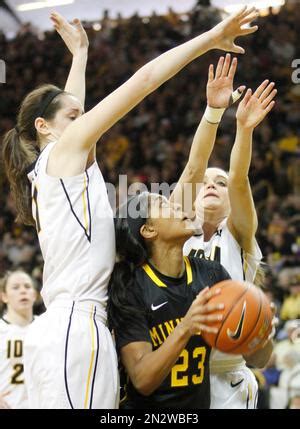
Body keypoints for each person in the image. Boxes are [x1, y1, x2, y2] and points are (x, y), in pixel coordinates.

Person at [2, 7, 259, 409]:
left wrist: (80, 57)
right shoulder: (61, 156)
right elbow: (144, 80)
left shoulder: (56, 167)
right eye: (74, 117)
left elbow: (69, 110)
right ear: (44, 127)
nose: (83, 121)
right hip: (75, 327)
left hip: (71, 328)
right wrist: (209, 38)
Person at [108, 192, 274, 408]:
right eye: (163, 205)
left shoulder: (211, 274)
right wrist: (186, 327)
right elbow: (142, 380)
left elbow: (258, 360)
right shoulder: (131, 287)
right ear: (149, 230)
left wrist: (259, 331)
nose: (178, 207)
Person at [182, 61, 277, 408]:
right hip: (178, 371)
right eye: (205, 184)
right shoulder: (177, 230)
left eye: (218, 184)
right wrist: (212, 111)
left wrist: (244, 129)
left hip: (229, 376)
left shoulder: (237, 234)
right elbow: (194, 164)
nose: (211, 186)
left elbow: (239, 178)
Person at [0, 270, 37, 409]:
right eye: (16, 287)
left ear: (34, 295)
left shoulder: (47, 329)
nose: (23, 291)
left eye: (27, 286)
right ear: (4, 296)